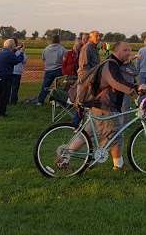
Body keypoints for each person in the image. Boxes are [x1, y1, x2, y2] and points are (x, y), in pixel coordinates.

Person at [62, 40, 137, 171]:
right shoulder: (110, 65)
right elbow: (115, 82)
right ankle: (118, 166)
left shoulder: (113, 63)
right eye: (125, 50)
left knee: (86, 134)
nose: (128, 52)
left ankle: (64, 158)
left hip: (98, 106)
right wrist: (134, 90)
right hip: (105, 107)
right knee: (114, 134)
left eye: (129, 50)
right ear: (116, 51)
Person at [0, 39, 24, 117]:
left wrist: (16, 49)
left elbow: (10, 53)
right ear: (12, 46)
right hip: (3, 77)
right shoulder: (9, 54)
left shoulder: (0, 52)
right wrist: (22, 52)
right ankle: (2, 113)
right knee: (4, 95)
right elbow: (18, 60)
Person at [33, 33, 67, 106]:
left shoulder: (46, 48)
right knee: (59, 87)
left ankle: (40, 101)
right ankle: (58, 102)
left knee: (45, 86)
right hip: (59, 70)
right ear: (59, 40)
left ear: (51, 40)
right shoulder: (62, 49)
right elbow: (65, 60)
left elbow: (43, 58)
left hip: (48, 70)